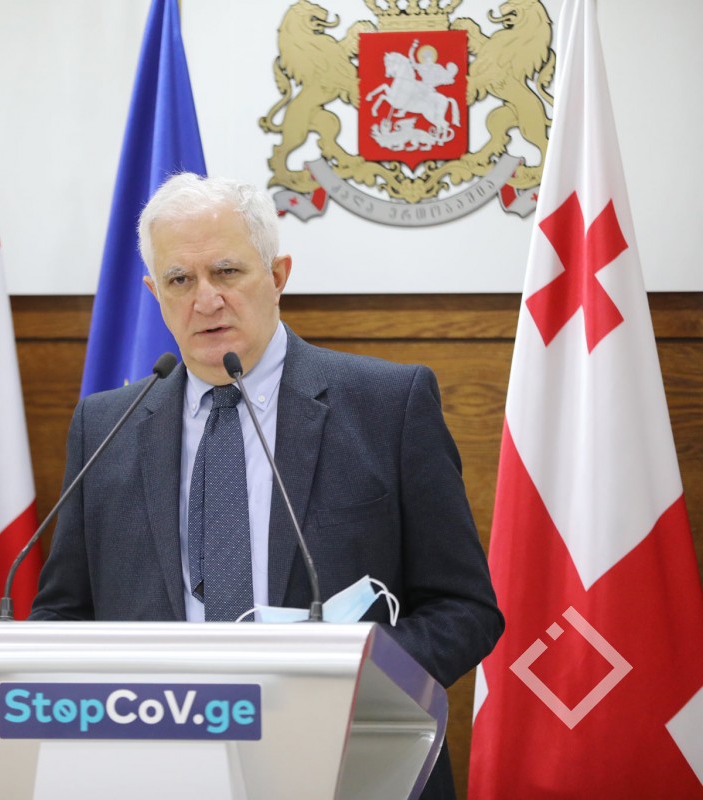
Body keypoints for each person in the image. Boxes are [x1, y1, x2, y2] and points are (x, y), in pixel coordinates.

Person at [29, 173, 503, 799]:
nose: (206, 300)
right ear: (154, 294)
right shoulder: (105, 426)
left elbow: (463, 609)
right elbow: (63, 613)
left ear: (278, 275)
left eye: (226, 272)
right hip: (160, 769)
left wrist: (354, 680)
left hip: (349, 764)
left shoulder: (388, 405)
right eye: (180, 280)